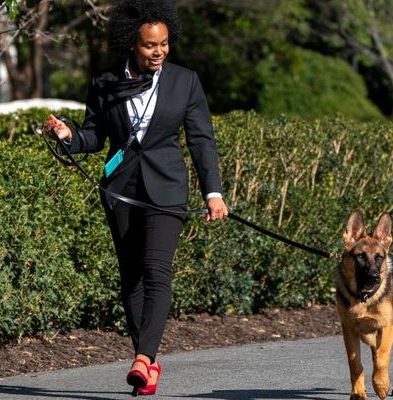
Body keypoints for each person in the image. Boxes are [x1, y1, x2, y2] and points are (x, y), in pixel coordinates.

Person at [43, 0, 228, 395]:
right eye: (149, 45)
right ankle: (150, 364)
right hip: (121, 190)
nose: (158, 51)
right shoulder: (105, 82)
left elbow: (201, 141)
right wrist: (69, 136)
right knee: (131, 277)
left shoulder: (185, 81)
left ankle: (143, 359)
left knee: (156, 269)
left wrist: (213, 192)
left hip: (167, 189)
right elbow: (94, 137)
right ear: (132, 43)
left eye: (164, 44)